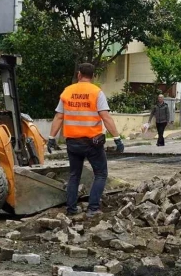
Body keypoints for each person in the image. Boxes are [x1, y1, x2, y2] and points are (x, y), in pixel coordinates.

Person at [47, 63, 124, 218]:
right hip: (92, 143)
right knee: (101, 173)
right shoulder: (96, 92)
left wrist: (51, 138)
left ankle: (71, 209)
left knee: (74, 175)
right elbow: (105, 117)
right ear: (93, 76)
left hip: (73, 142)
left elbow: (59, 117)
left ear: (79, 74)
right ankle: (93, 208)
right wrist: (117, 139)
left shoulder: (67, 91)